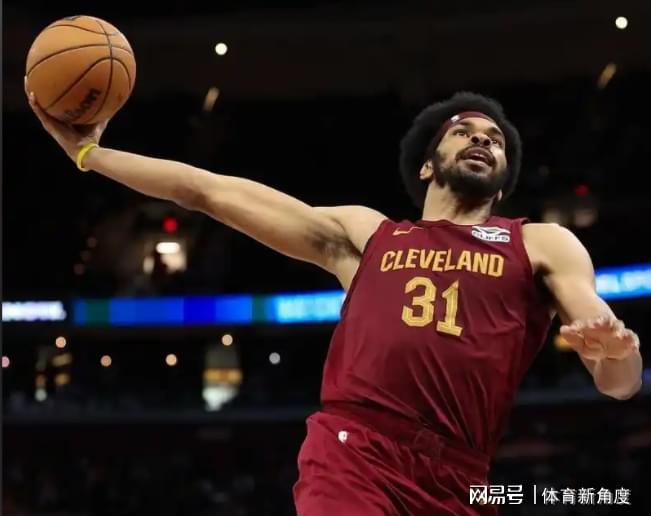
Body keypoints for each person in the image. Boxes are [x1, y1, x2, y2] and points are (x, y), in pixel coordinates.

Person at [26, 85, 642, 515]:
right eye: (463, 132)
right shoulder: (367, 235)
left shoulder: (541, 243)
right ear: (428, 167)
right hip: (356, 452)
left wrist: (615, 352)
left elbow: (619, 383)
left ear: (502, 182)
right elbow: (207, 191)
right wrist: (90, 155)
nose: (482, 140)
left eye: (496, 141)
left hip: (463, 479)